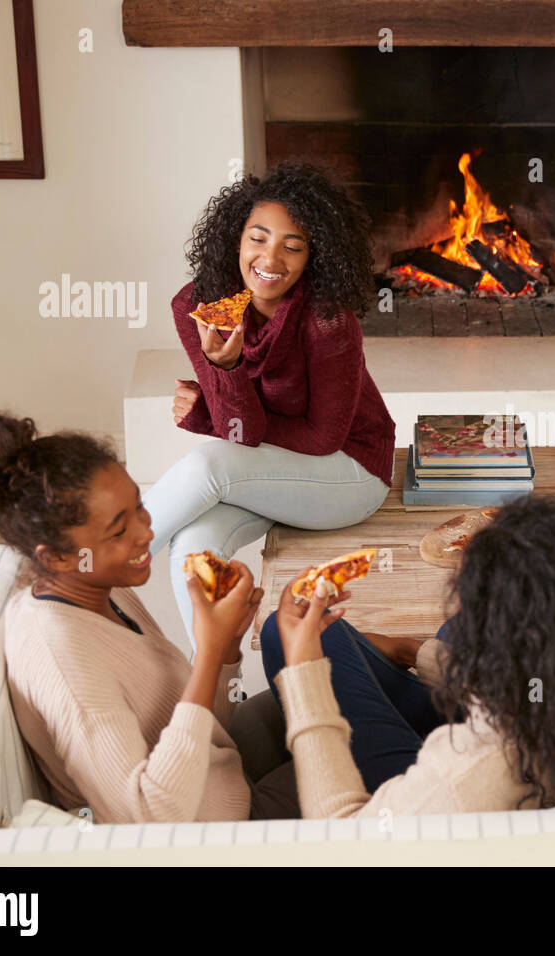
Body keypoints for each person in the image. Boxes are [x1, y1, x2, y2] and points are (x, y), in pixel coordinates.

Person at [0, 412, 381, 824]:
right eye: (119, 530)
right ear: (59, 557)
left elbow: (205, 727)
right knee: (383, 753)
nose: (148, 532)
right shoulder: (61, 654)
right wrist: (206, 654)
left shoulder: (103, 590)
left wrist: (226, 651)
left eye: (139, 508)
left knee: (345, 679)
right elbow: (149, 815)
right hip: (220, 830)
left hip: (222, 775)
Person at [258, 496, 555, 814]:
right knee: (447, 637)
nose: (456, 600)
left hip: (449, 787)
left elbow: (342, 838)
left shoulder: (469, 775)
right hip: (528, 746)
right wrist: (414, 651)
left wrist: (304, 679)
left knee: (283, 634)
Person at [144, 162, 396, 647]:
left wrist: (212, 406)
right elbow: (240, 429)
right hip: (267, 472)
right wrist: (226, 370)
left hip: (348, 473)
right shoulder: (197, 309)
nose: (271, 257)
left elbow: (321, 438)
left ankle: (106, 560)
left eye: (293, 246)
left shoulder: (327, 323)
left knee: (208, 463)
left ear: (313, 258)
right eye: (258, 238)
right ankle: (215, 685)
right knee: (192, 548)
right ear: (235, 239)